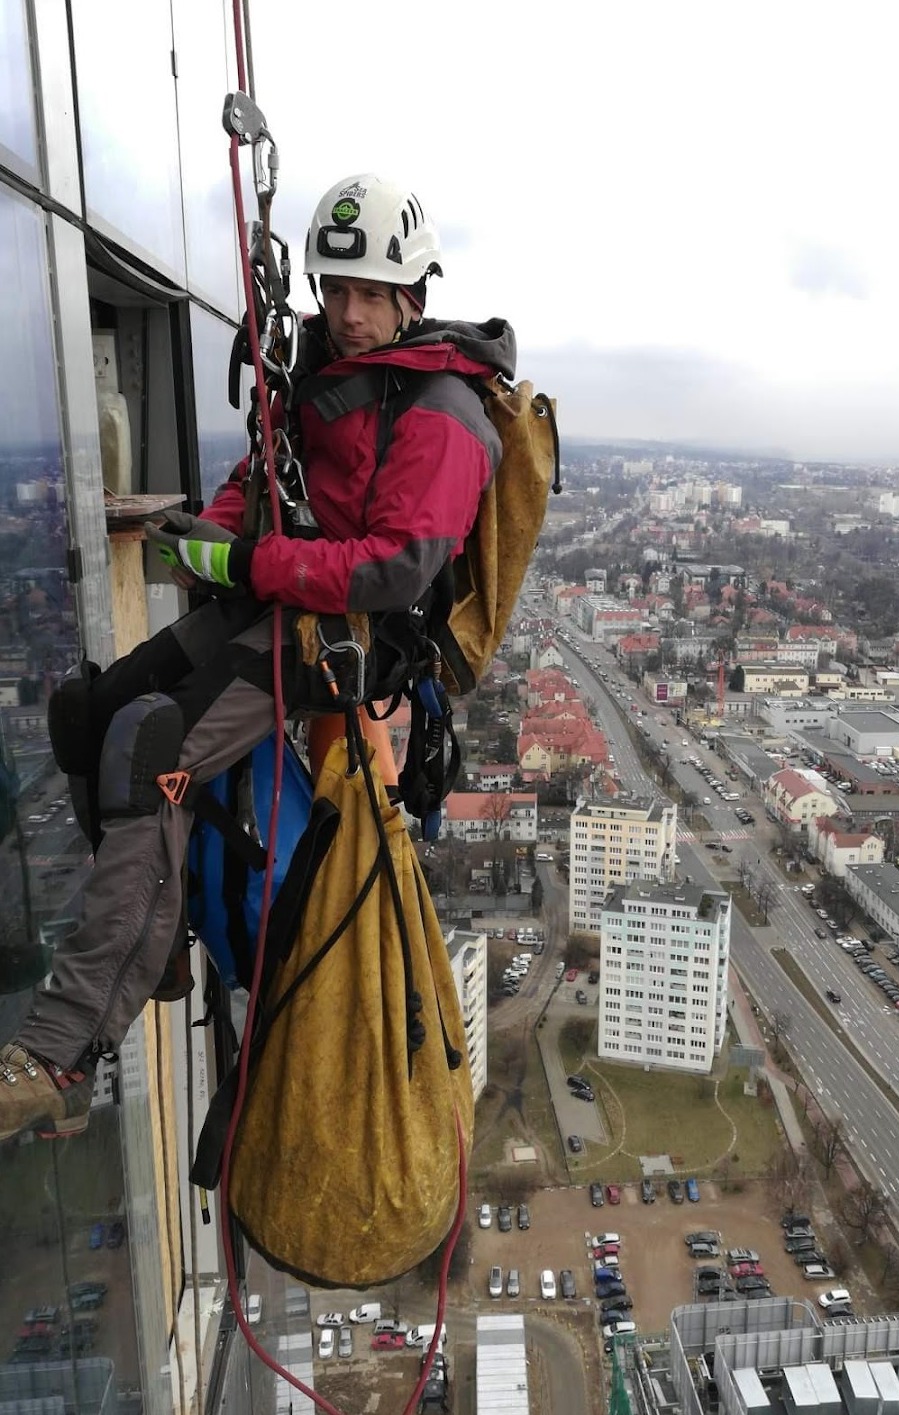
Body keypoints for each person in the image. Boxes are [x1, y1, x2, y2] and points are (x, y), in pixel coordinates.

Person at [0, 173, 515, 1143]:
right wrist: (212, 535)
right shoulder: (324, 378)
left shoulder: (443, 412)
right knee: (88, 713)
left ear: (411, 296)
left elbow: (397, 568)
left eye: (368, 293)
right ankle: (148, 948)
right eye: (337, 288)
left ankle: (64, 1050)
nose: (348, 311)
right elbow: (261, 481)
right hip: (277, 599)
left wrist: (244, 558)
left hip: (344, 641)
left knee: (154, 749)